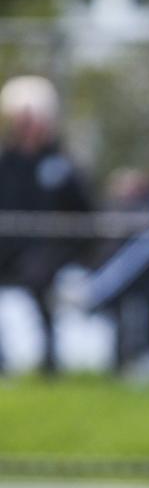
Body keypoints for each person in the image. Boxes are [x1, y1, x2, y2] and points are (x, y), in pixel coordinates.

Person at [0, 75, 92, 372]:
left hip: (51, 246)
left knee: (38, 277)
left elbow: (83, 211)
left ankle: (50, 357)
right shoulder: (7, 163)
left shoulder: (61, 164)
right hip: (10, 243)